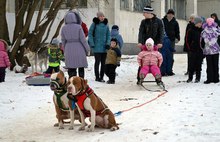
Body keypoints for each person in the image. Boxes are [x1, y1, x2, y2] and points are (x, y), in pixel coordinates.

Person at [137, 5, 164, 84]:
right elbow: (141, 32)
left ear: (149, 13)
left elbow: (161, 32)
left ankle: (158, 79)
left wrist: (160, 42)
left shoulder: (158, 21)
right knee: (143, 61)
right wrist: (140, 42)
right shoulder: (143, 22)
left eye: (144, 13)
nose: (143, 15)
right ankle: (139, 78)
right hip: (145, 44)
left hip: (155, 44)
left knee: (155, 62)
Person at [61, 11, 90, 79]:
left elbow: (63, 40)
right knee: (81, 66)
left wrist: (64, 49)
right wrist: (87, 48)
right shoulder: (78, 27)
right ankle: (81, 81)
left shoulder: (64, 28)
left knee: (71, 67)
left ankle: (72, 80)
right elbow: (83, 40)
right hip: (79, 48)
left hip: (69, 48)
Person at [88, 11, 111, 82]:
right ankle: (97, 77)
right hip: (96, 47)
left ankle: (102, 77)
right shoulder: (94, 24)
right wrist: (92, 43)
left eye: (103, 16)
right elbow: (90, 34)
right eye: (101, 16)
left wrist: (108, 43)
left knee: (103, 63)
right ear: (98, 17)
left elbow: (108, 35)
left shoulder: (106, 25)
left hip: (104, 47)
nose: (102, 17)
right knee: (97, 62)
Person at [201, 18, 220, 84]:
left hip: (212, 50)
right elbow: (204, 38)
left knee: (213, 64)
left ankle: (215, 78)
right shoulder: (205, 30)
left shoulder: (215, 29)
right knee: (211, 65)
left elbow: (215, 38)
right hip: (211, 50)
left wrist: (209, 43)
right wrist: (210, 43)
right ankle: (211, 78)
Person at [185, 16, 204, 83]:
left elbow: (204, 41)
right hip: (192, 50)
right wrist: (189, 48)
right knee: (191, 65)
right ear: (196, 23)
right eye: (200, 23)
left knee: (199, 65)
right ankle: (190, 78)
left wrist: (203, 48)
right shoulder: (190, 30)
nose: (201, 24)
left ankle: (198, 78)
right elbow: (187, 40)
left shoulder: (202, 31)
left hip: (200, 50)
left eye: (201, 23)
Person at [162, 9, 180, 75]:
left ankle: (169, 70)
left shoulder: (175, 22)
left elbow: (177, 31)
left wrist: (177, 38)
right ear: (167, 14)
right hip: (163, 40)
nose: (170, 15)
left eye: (172, 14)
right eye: (169, 14)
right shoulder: (162, 21)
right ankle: (163, 70)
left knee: (170, 55)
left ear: (173, 15)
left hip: (172, 40)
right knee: (163, 55)